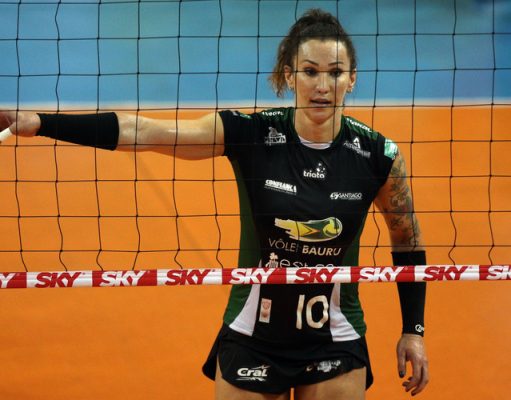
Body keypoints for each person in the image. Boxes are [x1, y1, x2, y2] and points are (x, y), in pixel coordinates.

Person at [0, 9, 428, 400]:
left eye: (335, 73)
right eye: (310, 71)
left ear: (351, 79)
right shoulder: (252, 135)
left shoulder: (377, 155)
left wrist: (413, 330)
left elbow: (407, 242)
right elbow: (142, 131)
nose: (322, 86)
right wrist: (41, 123)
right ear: (289, 74)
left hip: (334, 336)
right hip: (253, 333)